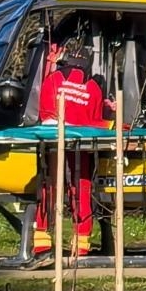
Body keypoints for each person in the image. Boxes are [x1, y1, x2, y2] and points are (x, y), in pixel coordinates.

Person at [32, 39, 106, 257]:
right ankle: (81, 242)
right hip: (81, 145)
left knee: (49, 185)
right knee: (81, 187)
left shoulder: (52, 80)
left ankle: (42, 240)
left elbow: (44, 112)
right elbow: (96, 119)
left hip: (53, 140)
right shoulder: (93, 86)